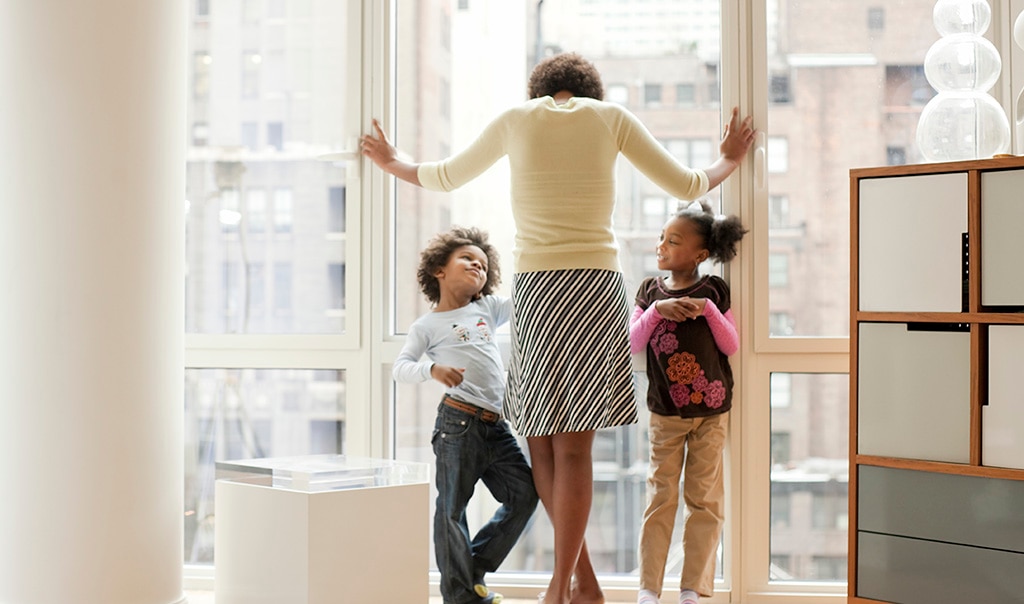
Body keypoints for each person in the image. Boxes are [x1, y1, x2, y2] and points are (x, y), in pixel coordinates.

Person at [362, 52, 755, 604]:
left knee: (543, 445)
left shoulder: (516, 119)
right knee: (574, 450)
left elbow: (442, 175)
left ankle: (565, 585)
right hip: (593, 286)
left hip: (537, 291)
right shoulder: (610, 116)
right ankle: (577, 584)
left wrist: (390, 160)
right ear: (589, 90)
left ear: (540, 91)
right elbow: (689, 182)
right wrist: (731, 159)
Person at [393, 226, 539, 604]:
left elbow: (528, 297)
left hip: (496, 425)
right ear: (439, 270)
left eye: (484, 265)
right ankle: (460, 596)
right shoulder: (427, 326)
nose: (478, 266)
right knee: (451, 508)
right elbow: (401, 367)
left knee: (524, 495)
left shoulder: (487, 309)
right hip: (458, 424)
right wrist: (432, 370)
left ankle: (473, 565)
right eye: (467, 260)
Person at [628, 199, 747, 604]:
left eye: (672, 240)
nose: (661, 245)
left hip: (712, 413)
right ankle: (648, 589)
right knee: (660, 497)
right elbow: (633, 343)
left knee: (705, 502)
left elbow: (731, 344)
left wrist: (709, 311)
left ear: (699, 254)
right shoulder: (650, 291)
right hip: (665, 413)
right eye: (661, 237)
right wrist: (657, 311)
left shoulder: (714, 290)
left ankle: (692, 589)